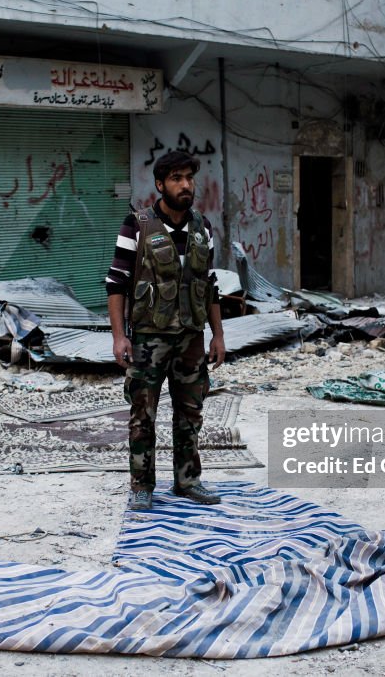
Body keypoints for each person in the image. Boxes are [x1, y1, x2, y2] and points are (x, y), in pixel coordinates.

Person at [105, 150, 226, 511]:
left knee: (190, 413)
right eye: (177, 178)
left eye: (189, 178)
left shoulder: (203, 228)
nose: (186, 185)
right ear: (160, 185)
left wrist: (217, 335)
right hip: (148, 339)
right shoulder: (136, 225)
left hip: (191, 337)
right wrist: (118, 337)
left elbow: (210, 285)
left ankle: (187, 481)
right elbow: (116, 283)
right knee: (143, 414)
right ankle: (142, 486)